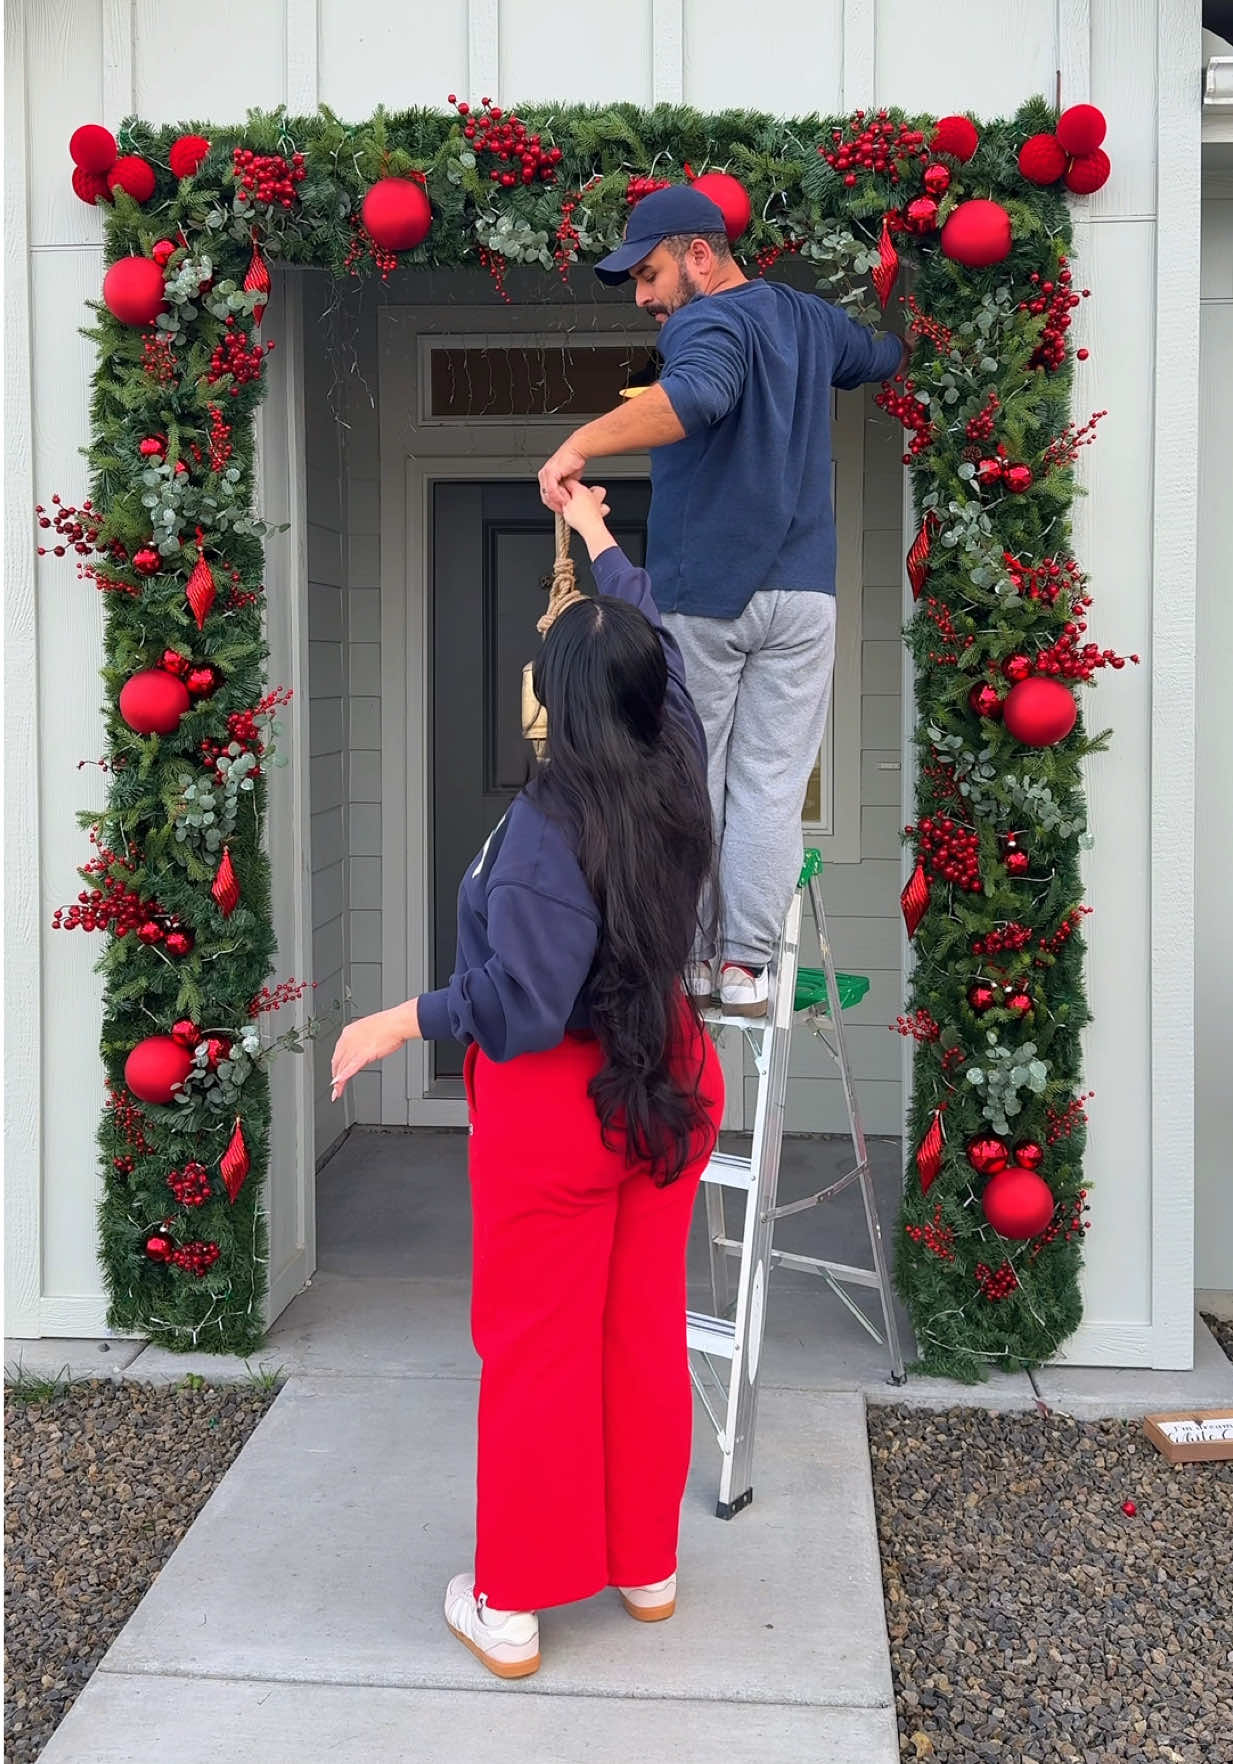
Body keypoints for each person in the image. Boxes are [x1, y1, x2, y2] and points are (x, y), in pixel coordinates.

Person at [329, 481, 724, 1680]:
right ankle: (644, 1569)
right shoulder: (678, 757)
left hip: (563, 1106)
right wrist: (600, 532)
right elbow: (651, 641)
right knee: (640, 1328)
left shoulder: (551, 832)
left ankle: (512, 1603)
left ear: (556, 704)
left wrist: (401, 1018)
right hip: (668, 1081)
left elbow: (520, 1006)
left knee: (539, 1345)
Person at [538, 185, 909, 1016]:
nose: (644, 298)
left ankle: (694, 963)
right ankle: (746, 965)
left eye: (650, 273)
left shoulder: (706, 322)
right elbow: (880, 357)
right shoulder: (806, 322)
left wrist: (577, 442)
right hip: (803, 595)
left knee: (688, 779)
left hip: (708, 594)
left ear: (700, 255)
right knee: (771, 786)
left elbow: (695, 397)